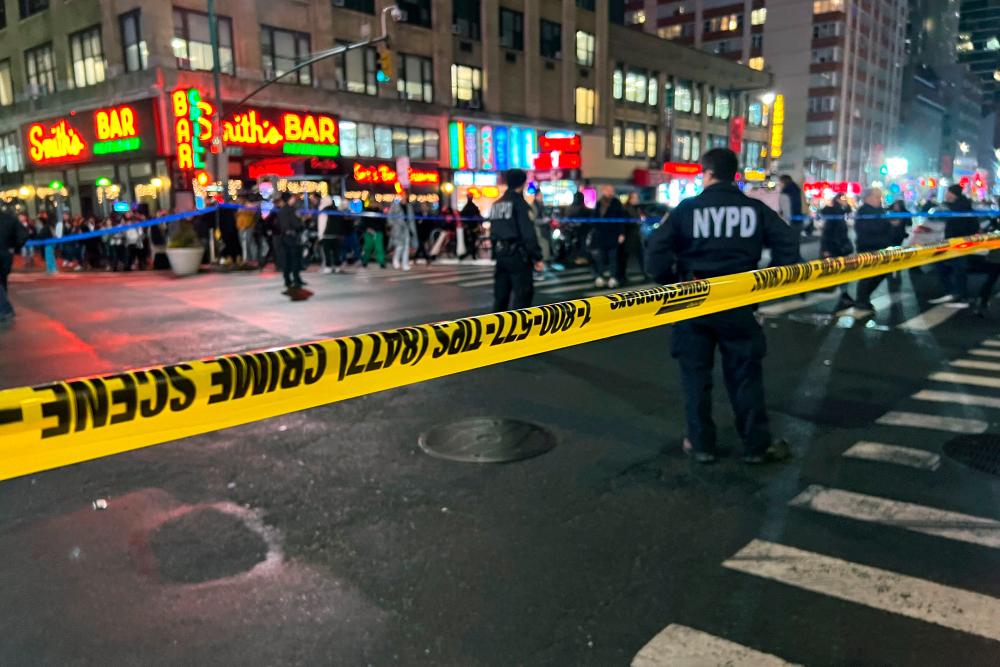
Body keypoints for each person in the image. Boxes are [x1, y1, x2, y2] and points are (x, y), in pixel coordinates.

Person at [645, 148, 799, 465]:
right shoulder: (753, 209)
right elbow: (788, 244)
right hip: (739, 300)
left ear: (707, 173)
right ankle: (756, 446)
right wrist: (767, 282)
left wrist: (672, 282)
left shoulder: (687, 209)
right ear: (735, 175)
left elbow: (655, 254)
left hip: (694, 300)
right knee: (745, 376)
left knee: (695, 377)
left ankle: (701, 444)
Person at [490, 168, 543, 311]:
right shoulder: (520, 204)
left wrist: (495, 254)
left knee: (501, 297)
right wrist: (537, 256)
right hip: (518, 256)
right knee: (522, 296)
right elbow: (528, 233)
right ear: (523, 183)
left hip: (501, 255)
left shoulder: (497, 204)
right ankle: (519, 330)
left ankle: (498, 329)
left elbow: (493, 233)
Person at [931, 184, 981, 305]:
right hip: (951, 242)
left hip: (959, 242)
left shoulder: (961, 208)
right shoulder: (954, 207)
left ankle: (960, 295)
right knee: (947, 266)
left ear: (954, 194)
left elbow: (968, 225)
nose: (947, 195)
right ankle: (955, 293)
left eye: (949, 193)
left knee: (958, 269)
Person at [852, 187, 897, 315]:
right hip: (868, 247)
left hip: (881, 247)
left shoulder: (880, 210)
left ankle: (864, 298)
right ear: (868, 198)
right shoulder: (864, 211)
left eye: (880, 197)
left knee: (881, 273)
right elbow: (870, 229)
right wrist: (888, 224)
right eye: (877, 197)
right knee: (867, 275)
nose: (879, 199)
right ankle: (862, 300)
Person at [819, 193, 855, 310]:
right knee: (839, 271)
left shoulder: (839, 212)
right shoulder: (834, 213)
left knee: (842, 271)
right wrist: (826, 249)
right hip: (835, 247)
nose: (845, 200)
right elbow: (827, 233)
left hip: (839, 247)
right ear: (838, 200)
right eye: (843, 198)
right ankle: (842, 294)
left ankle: (844, 295)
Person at [592, 185, 626, 288]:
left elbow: (621, 219)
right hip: (601, 235)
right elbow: (594, 218)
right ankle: (600, 276)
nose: (610, 192)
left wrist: (621, 233)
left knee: (613, 258)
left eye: (611, 190)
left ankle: (613, 277)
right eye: (608, 190)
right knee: (600, 258)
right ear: (603, 191)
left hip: (613, 235)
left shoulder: (616, 203)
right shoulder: (599, 203)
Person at [0, 210, 28, 322]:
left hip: (5, 251)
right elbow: (23, 235)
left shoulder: (9, 218)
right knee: (2, 280)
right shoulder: (10, 218)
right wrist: (15, 248)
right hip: (6, 254)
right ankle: (4, 306)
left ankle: (5, 309)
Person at [276, 193, 305, 290]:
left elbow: (278, 225)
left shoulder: (281, 211)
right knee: (295, 259)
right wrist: (301, 222)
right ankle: (296, 279)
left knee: (287, 259)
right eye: (292, 198)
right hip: (292, 237)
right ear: (289, 199)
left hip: (284, 237)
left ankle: (287, 279)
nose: (294, 199)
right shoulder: (292, 210)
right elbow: (297, 224)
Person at [619, 191, 645, 284]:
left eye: (637, 198)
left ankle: (645, 273)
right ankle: (622, 276)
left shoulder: (637, 208)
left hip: (636, 235)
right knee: (625, 257)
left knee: (641, 255)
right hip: (629, 235)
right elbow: (624, 222)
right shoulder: (626, 209)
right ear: (630, 199)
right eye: (634, 198)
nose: (636, 200)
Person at [388, 191, 418, 271]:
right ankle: (396, 260)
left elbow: (411, 219)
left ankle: (405, 264)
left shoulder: (409, 207)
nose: (404, 197)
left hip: (406, 229)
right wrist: (393, 226)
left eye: (405, 196)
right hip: (398, 229)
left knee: (406, 246)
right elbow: (389, 217)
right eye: (402, 196)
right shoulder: (395, 206)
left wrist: (412, 230)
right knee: (399, 246)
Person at [360, 203, 387, 268]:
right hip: (368, 232)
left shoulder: (380, 212)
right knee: (367, 248)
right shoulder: (366, 211)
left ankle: (381, 262)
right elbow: (363, 222)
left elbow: (383, 223)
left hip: (378, 232)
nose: (374, 204)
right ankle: (365, 261)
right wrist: (367, 228)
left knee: (379, 248)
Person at [530, 190, 552, 269]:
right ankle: (543, 264)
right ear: (536, 196)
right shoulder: (534, 206)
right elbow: (533, 220)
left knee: (546, 244)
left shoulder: (541, 205)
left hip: (545, 229)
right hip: (538, 230)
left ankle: (545, 263)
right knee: (543, 245)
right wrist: (543, 220)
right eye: (540, 195)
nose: (542, 197)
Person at [459, 193, 482, 260]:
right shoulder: (472, 207)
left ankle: (470, 254)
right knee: (471, 242)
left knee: (471, 242)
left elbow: (478, 217)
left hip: (471, 228)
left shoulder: (470, 207)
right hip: (469, 228)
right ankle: (471, 254)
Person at [236, 197, 257, 266]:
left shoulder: (249, 207)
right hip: (241, 227)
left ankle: (251, 259)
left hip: (247, 228)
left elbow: (250, 217)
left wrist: (245, 226)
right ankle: (248, 259)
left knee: (248, 243)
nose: (238, 200)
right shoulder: (239, 207)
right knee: (245, 244)